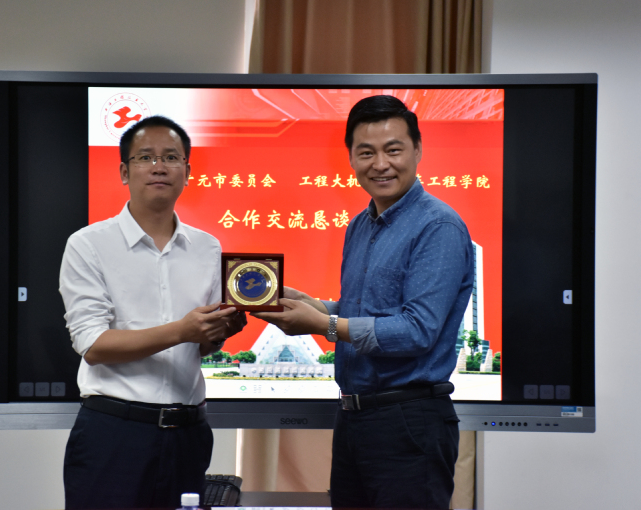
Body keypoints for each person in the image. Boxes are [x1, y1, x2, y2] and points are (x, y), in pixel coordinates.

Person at [254, 95, 474, 509]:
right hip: (354, 418)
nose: (380, 164)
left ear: (417, 151)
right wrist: (313, 306)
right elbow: (364, 310)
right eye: (366, 152)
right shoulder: (359, 225)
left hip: (409, 421)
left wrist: (323, 326)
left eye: (393, 150)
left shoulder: (438, 225)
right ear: (351, 158)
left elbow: (418, 329)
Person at [59, 115, 245, 509]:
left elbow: (201, 346)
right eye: (146, 157)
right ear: (124, 172)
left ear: (187, 172)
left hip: (188, 434)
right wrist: (182, 330)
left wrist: (219, 332)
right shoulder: (88, 244)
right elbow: (93, 345)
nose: (159, 166)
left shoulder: (208, 248)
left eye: (171, 158)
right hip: (114, 434)